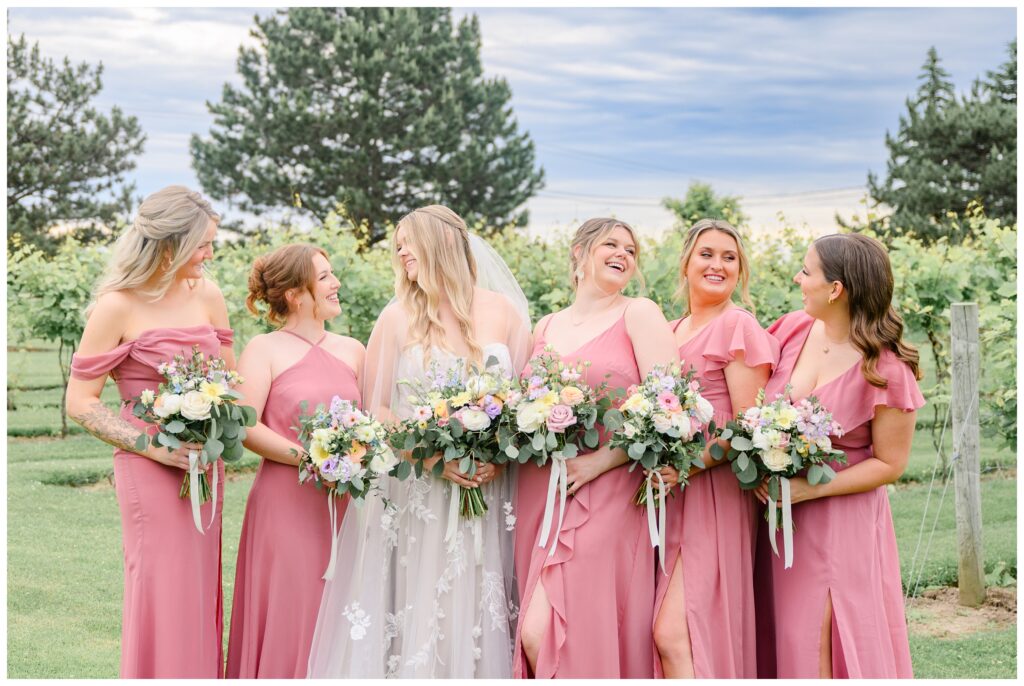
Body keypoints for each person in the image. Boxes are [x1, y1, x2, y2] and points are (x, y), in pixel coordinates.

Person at [307, 205, 532, 678]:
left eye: (408, 241)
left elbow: (523, 404)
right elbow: (379, 410)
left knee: (473, 599)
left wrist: (499, 457)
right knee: (420, 597)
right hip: (418, 489)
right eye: (398, 245)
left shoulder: (504, 311)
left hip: (483, 490)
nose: (402, 252)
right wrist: (430, 455)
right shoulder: (398, 317)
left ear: (440, 242)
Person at [66, 185, 231, 678]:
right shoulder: (116, 306)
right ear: (168, 246)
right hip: (148, 467)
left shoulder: (208, 293)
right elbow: (79, 401)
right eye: (201, 244)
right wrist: (153, 447)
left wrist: (214, 424)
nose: (209, 253)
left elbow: (229, 380)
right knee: (161, 585)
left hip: (205, 463)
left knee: (199, 587)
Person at [513, 218, 678, 678]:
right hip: (543, 489)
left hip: (609, 487)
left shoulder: (639, 313)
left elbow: (669, 405)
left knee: (543, 629)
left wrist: (601, 462)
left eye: (631, 249)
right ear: (580, 253)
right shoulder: (545, 326)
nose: (623, 254)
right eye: (611, 244)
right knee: (535, 629)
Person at [755, 233, 924, 678]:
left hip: (838, 524)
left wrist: (804, 489)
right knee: (785, 634)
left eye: (806, 271)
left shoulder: (886, 368)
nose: (798, 278)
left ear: (836, 289)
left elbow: (891, 464)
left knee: (820, 639)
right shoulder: (792, 327)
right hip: (778, 520)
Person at [225, 243, 365, 677]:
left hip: (345, 505)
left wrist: (359, 452)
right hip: (285, 504)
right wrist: (312, 458)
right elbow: (245, 427)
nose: (335, 283)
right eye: (324, 277)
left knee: (344, 612)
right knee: (293, 610)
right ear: (294, 294)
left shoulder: (354, 350)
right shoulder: (265, 349)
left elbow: (372, 421)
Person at [653, 219, 778, 678]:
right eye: (707, 254)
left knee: (677, 631)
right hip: (669, 489)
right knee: (670, 630)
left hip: (713, 490)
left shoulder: (738, 327)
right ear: (686, 263)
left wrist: (691, 465)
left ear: (740, 270)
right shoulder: (669, 329)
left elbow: (748, 423)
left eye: (729, 257)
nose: (717, 265)